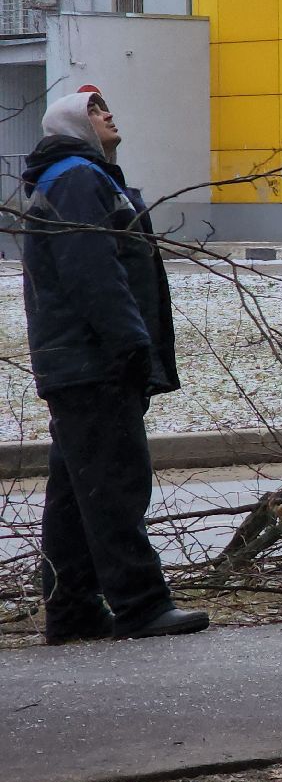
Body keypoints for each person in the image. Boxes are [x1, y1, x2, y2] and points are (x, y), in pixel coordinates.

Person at [21, 89, 209, 644]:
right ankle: (141, 604)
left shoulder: (69, 178)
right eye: (94, 108)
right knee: (116, 483)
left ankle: (73, 609)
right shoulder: (79, 178)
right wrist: (131, 347)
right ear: (74, 126)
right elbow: (94, 272)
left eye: (106, 104)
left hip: (74, 363)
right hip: (94, 362)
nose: (107, 112)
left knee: (78, 492)